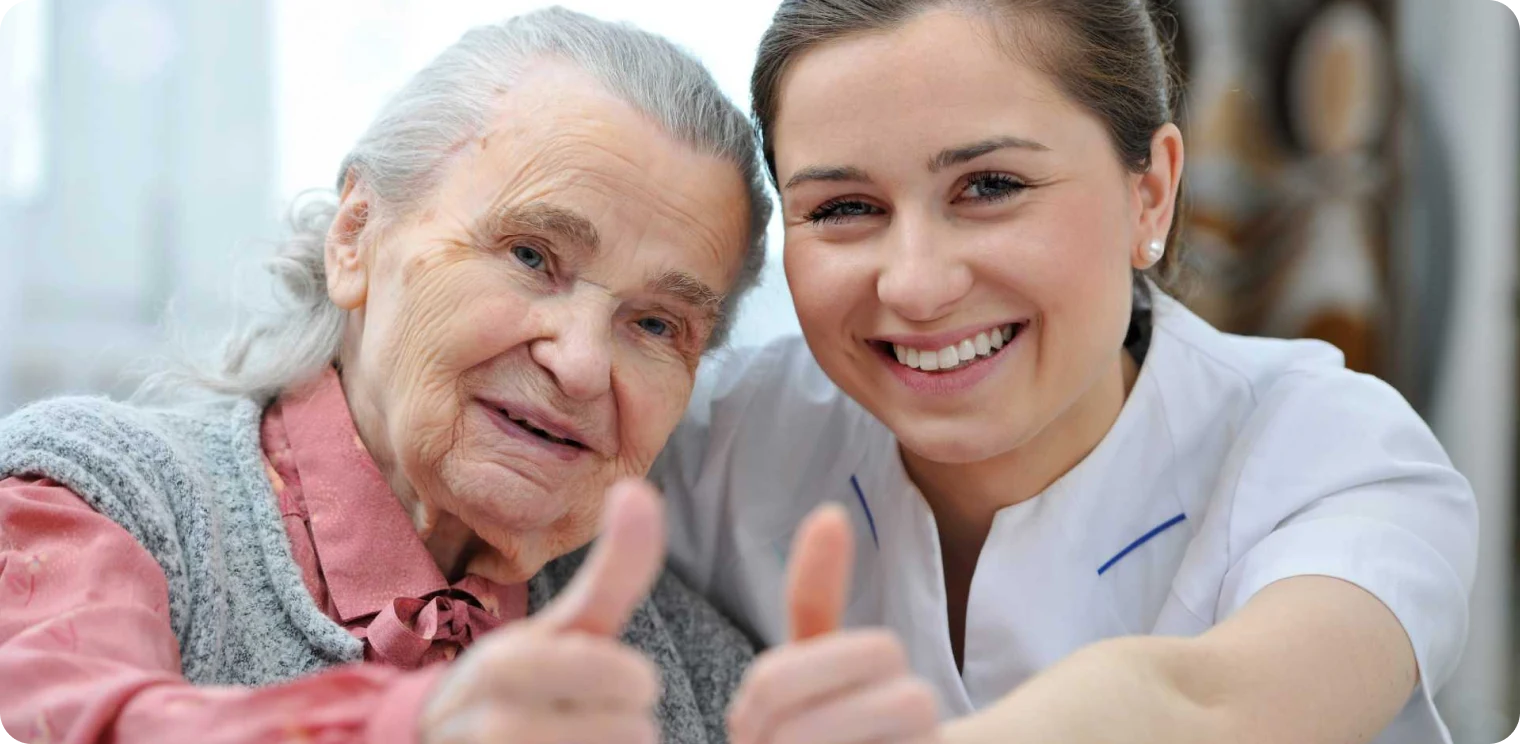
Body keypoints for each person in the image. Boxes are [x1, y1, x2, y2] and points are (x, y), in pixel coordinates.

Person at [0, 9, 934, 744]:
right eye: (531, 256)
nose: (578, 361)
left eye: (655, 323)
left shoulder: (697, 675)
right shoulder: (99, 497)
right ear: (357, 236)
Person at [655, 1, 1478, 742]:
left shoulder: (1335, 455)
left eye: (991, 186)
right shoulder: (710, 444)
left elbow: (1208, 707)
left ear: (1150, 193)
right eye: (843, 208)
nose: (914, 283)